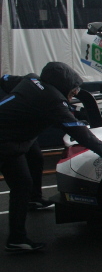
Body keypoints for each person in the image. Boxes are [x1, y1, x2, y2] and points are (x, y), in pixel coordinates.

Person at [0, 62, 102, 252]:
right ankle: (16, 238)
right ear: (63, 86)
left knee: (35, 157)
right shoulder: (52, 101)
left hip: (17, 135)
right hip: (6, 141)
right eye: (73, 91)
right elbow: (78, 131)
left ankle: (34, 198)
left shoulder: (31, 79)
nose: (73, 95)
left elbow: (4, 80)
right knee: (21, 184)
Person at [0, 75, 50, 210]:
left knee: (36, 158)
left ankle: (34, 197)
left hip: (20, 127)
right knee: (20, 179)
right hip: (9, 134)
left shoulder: (10, 81)